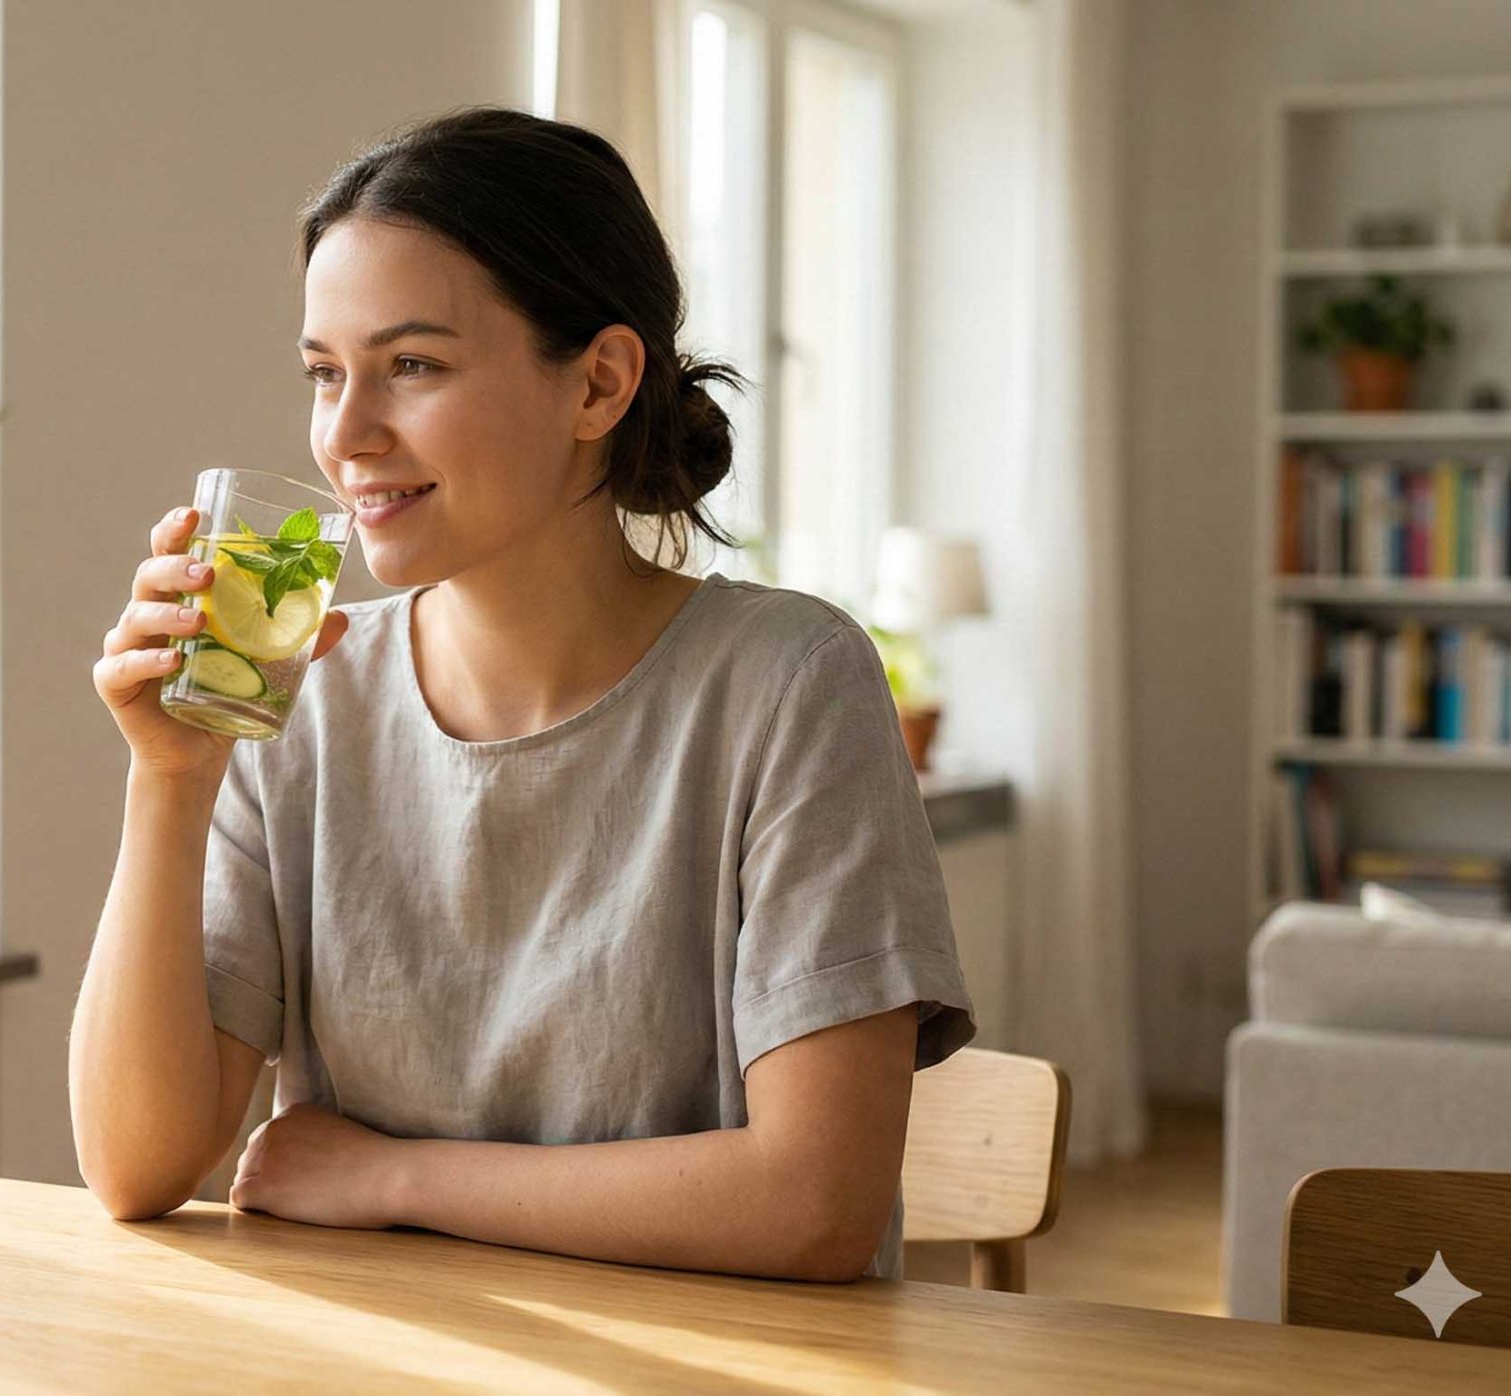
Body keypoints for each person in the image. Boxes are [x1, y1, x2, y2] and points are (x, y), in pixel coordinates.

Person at [70, 106, 973, 1282]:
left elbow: (813, 1206)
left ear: (598, 384)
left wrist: (392, 1175)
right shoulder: (305, 697)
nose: (347, 435)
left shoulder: (787, 683)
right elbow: (135, 1168)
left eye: (411, 365)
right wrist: (170, 775)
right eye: (323, 374)